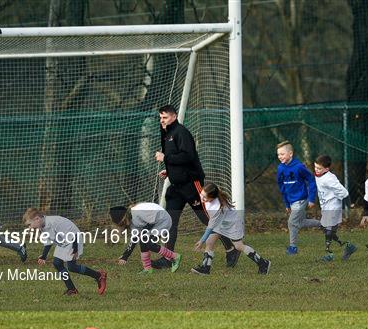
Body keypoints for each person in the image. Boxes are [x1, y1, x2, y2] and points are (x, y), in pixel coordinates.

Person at [153, 104, 239, 268]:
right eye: (160, 118)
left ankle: (231, 248)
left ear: (174, 117)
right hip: (176, 186)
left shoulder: (182, 133)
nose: (162, 121)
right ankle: (168, 258)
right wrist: (169, 171)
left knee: (207, 219)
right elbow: (175, 158)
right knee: (170, 221)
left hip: (192, 184)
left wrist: (166, 158)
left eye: (164, 117)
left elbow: (188, 157)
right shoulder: (167, 134)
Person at [191, 182, 270, 275]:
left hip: (232, 224)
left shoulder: (217, 207)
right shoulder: (209, 198)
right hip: (221, 223)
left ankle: (263, 263)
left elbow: (210, 226)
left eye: (205, 197)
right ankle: (205, 268)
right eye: (201, 195)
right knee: (210, 242)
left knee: (239, 246)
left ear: (212, 198)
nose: (202, 198)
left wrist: (201, 240)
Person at [23, 208, 107, 296]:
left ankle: (99, 276)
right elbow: (48, 242)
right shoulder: (41, 227)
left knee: (72, 267)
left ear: (37, 219)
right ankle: (72, 289)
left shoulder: (55, 222)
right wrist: (44, 256)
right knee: (57, 263)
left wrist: (75, 249)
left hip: (74, 240)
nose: (30, 227)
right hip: (63, 242)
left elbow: (73, 234)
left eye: (30, 224)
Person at [109, 203, 182, 274]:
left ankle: (175, 256)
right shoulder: (132, 220)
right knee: (143, 241)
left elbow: (151, 221)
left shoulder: (138, 212)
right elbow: (134, 239)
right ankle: (148, 268)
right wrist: (125, 256)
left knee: (148, 243)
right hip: (155, 223)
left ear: (123, 219)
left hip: (162, 221)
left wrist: (143, 233)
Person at [276, 141, 320, 255]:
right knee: (300, 223)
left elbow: (311, 180)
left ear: (290, 154)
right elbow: (282, 187)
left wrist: (311, 198)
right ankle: (324, 225)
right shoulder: (280, 168)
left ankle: (293, 248)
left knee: (291, 222)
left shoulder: (299, 167)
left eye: (282, 154)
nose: (280, 157)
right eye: (278, 154)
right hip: (291, 201)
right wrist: (286, 204)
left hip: (301, 199)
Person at [314, 155, 357, 262]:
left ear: (327, 169)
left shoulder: (329, 179)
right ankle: (349, 246)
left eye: (319, 168)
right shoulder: (317, 176)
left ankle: (329, 255)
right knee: (328, 231)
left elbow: (343, 192)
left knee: (328, 231)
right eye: (315, 167)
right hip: (325, 207)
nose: (316, 170)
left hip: (333, 207)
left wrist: (349, 204)